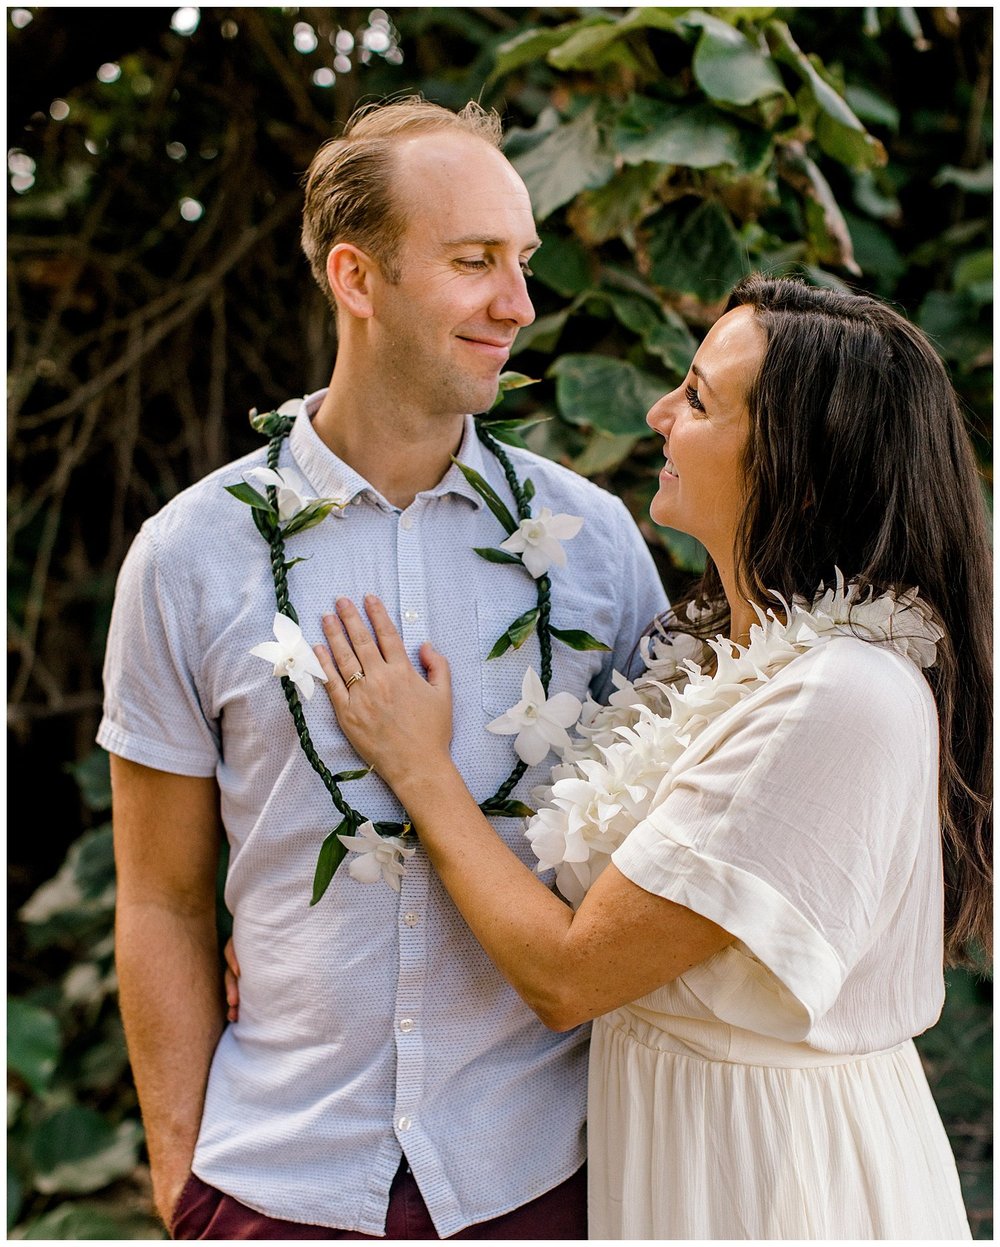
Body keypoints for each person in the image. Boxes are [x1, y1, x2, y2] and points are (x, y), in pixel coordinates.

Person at [301, 274, 992, 1240]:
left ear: (797, 470)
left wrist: (417, 766)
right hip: (671, 1151)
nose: (662, 414)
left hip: (770, 1181)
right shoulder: (716, 654)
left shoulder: (842, 695)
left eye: (701, 399)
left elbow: (570, 974)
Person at [99, 97, 667, 1239]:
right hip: (277, 1184)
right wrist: (182, 1181)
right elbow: (160, 896)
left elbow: (660, 861)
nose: (518, 304)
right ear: (357, 279)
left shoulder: (596, 543)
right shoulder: (189, 554)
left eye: (522, 262)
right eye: (474, 262)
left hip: (538, 1178)